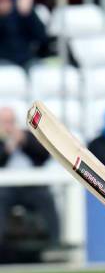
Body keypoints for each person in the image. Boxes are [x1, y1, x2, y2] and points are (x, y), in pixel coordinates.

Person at [0, 106, 59, 263]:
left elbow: (43, 156)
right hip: (5, 188)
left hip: (31, 186)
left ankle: (55, 244)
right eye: (5, 122)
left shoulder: (27, 136)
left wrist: (24, 142)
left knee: (46, 198)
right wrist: (8, 148)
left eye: (11, 122)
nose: (8, 126)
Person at [0, 0, 48, 68]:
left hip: (27, 60)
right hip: (3, 61)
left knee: (40, 70)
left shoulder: (22, 8)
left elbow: (42, 37)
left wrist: (28, 15)